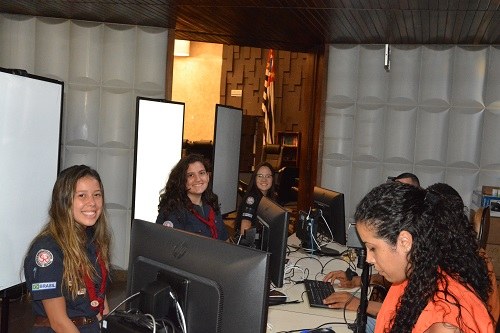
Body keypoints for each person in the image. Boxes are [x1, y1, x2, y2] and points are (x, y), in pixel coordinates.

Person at [354, 182, 493, 333]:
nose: (368, 258)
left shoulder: (445, 324)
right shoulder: (415, 276)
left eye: (373, 248)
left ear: (404, 242)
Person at [23, 165, 111, 333]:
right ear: (64, 200)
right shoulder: (47, 251)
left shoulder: (93, 241)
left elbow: (100, 300)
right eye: (82, 195)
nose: (92, 202)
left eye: (97, 195)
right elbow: (59, 323)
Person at [156, 154, 228, 241]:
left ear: (208, 176)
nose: (198, 179)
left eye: (201, 173)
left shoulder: (211, 205)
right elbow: (169, 248)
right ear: (181, 180)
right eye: (190, 175)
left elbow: (225, 241)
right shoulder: (173, 210)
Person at [234, 161, 277, 236]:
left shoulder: (269, 198)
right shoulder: (252, 198)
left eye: (268, 176)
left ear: (272, 179)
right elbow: (245, 228)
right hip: (250, 244)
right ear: (255, 178)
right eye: (260, 176)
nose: (264, 179)